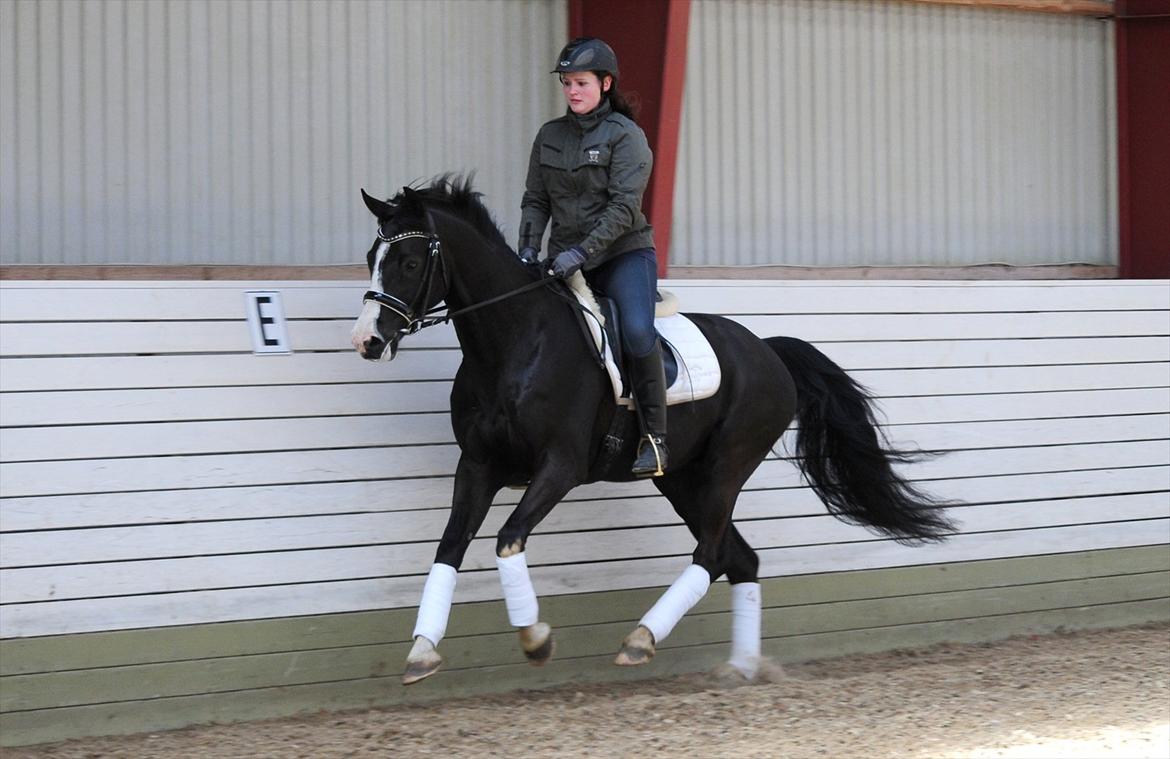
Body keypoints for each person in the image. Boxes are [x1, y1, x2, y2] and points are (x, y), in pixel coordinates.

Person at [517, 37, 668, 478]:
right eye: (567, 84)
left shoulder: (627, 137)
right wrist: (528, 247)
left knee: (638, 333)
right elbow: (535, 198)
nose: (573, 91)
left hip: (622, 256)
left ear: (605, 83)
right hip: (563, 258)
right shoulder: (550, 135)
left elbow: (624, 209)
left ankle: (656, 439)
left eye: (581, 82)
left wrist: (580, 253)